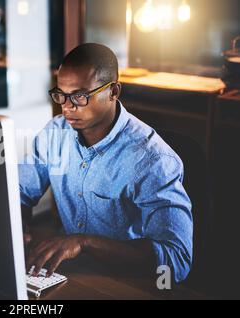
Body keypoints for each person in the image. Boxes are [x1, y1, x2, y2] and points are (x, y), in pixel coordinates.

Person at [19, 43, 193, 283]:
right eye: (61, 94)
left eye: (80, 96)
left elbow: (175, 261)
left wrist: (84, 242)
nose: (67, 106)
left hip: (127, 282)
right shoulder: (55, 134)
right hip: (70, 272)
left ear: (113, 91)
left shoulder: (154, 160)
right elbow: (18, 193)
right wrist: (19, 229)